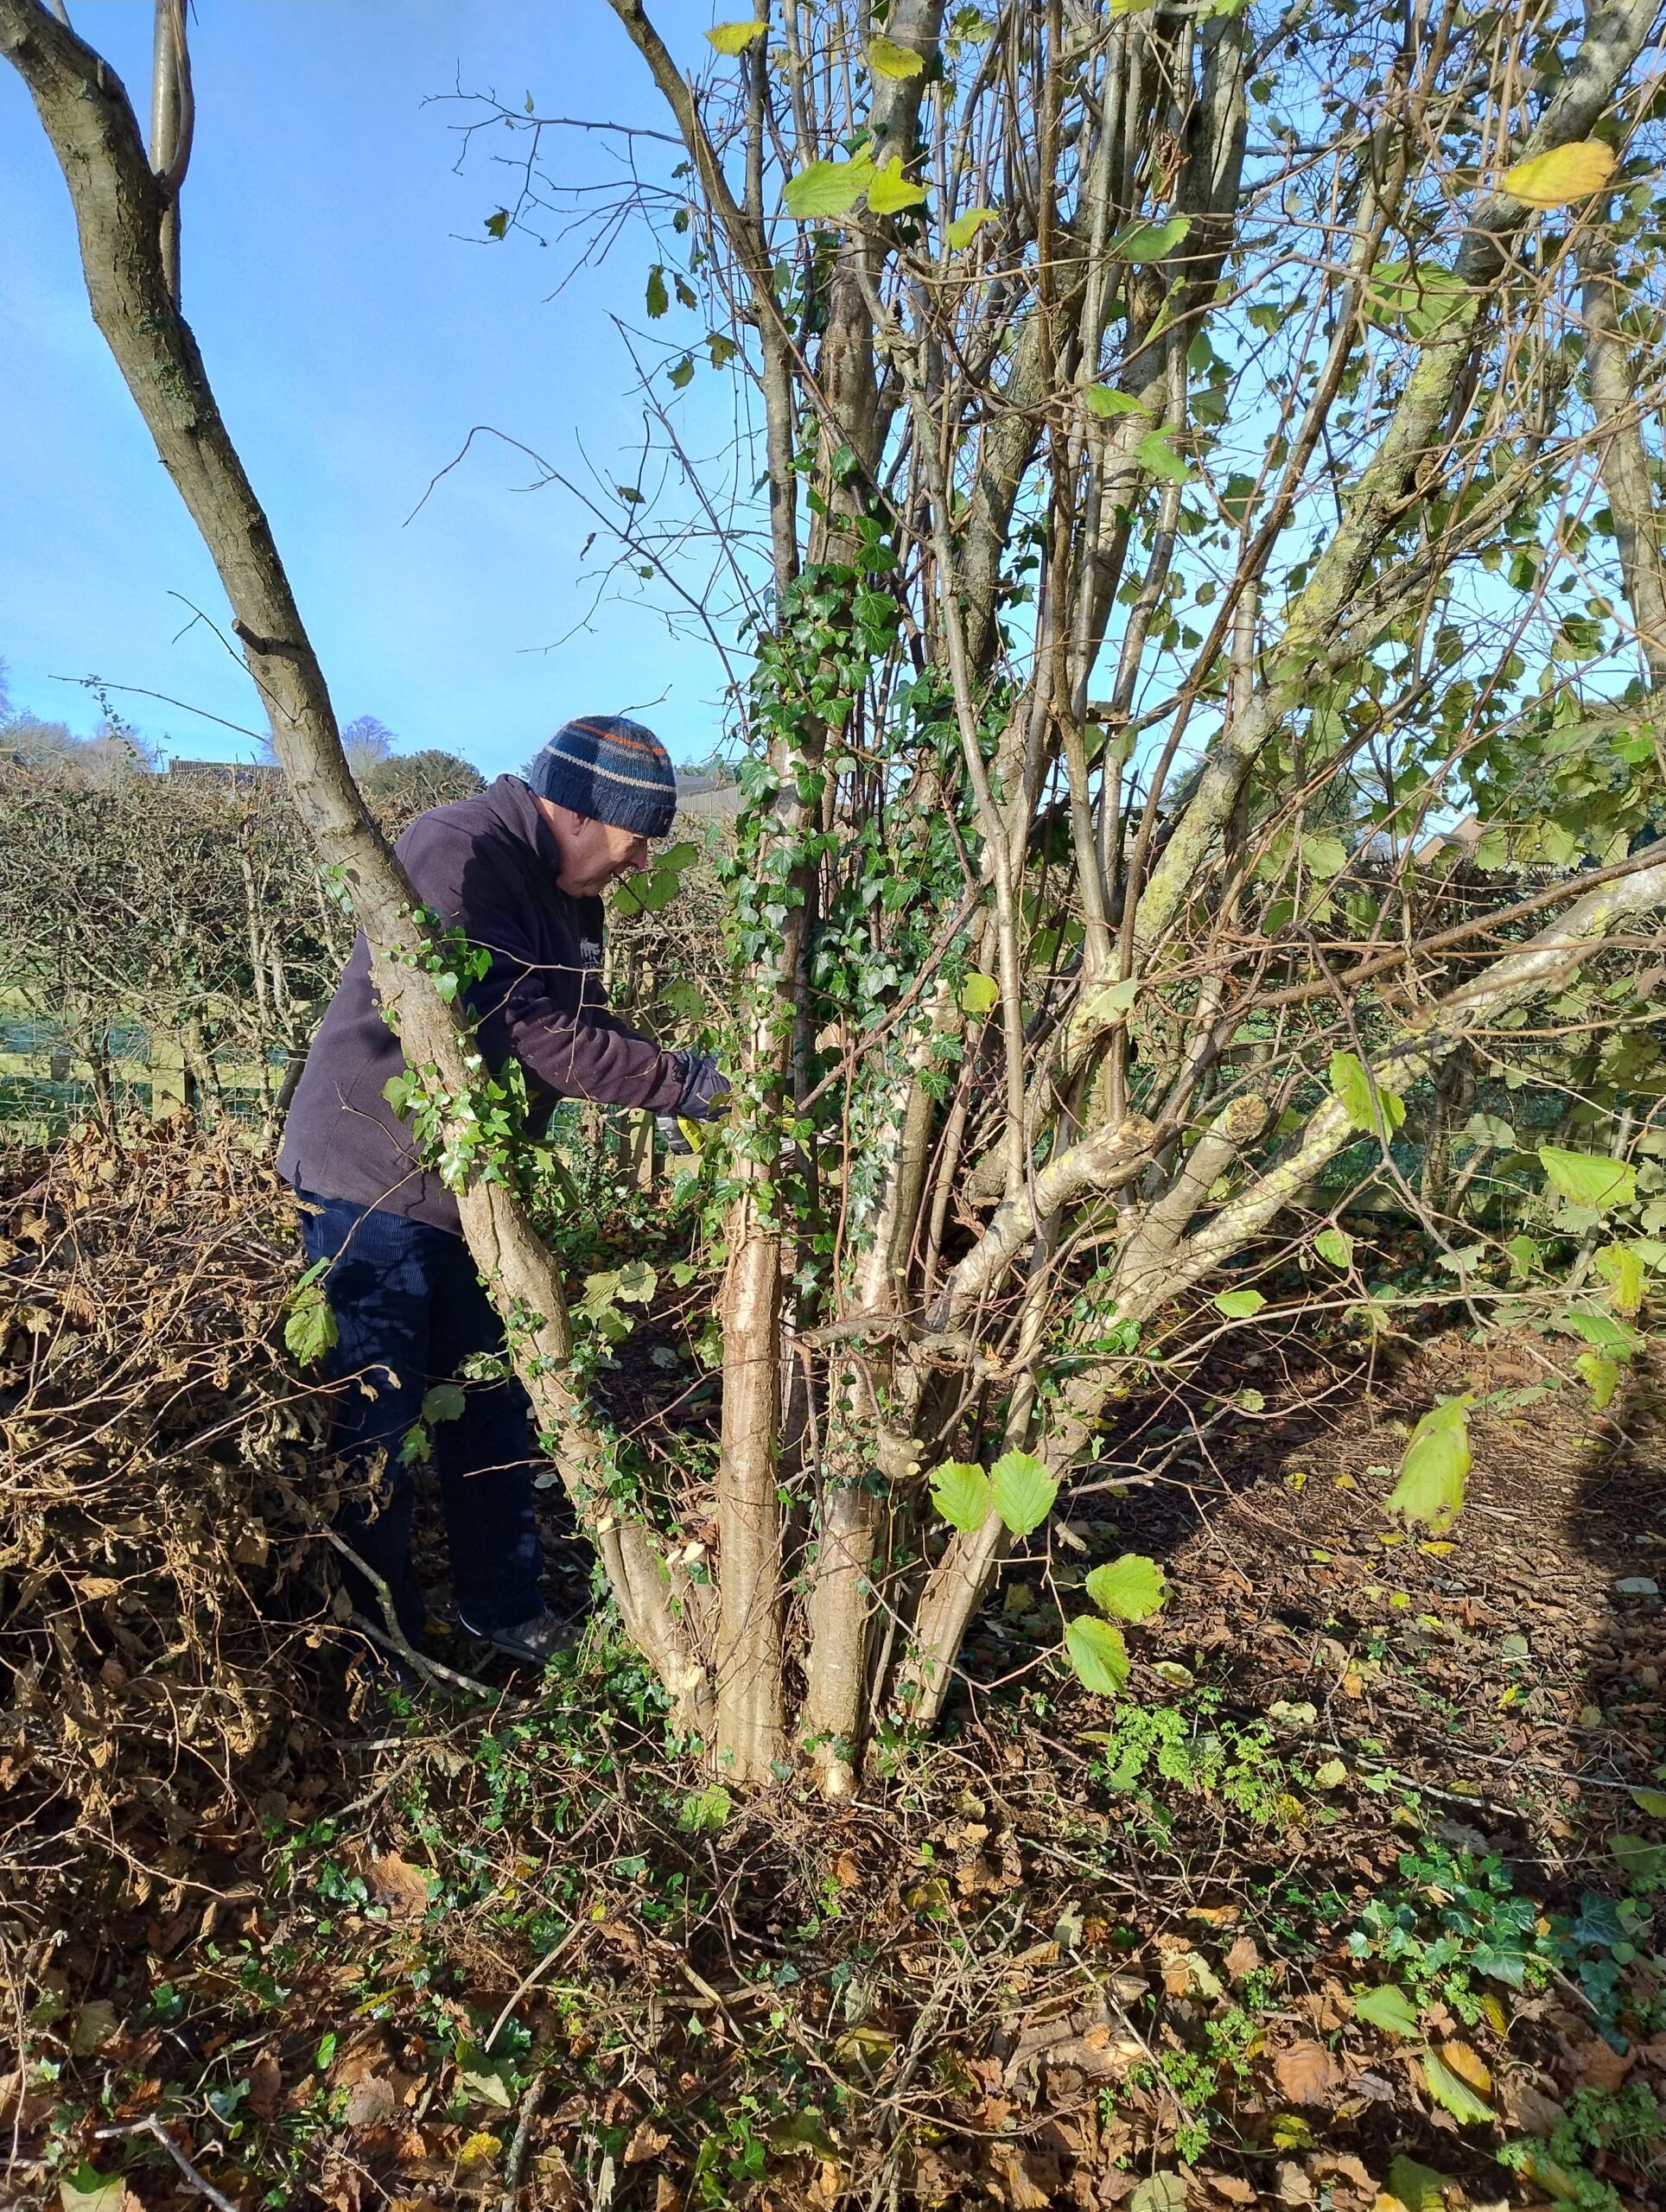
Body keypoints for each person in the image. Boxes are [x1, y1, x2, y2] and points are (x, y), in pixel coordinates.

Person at [277, 715, 728, 1664]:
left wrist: (659, 1088)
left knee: (488, 1398)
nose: (642, 857)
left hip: (464, 1187)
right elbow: (528, 1031)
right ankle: (377, 1635)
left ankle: (501, 1607)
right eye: (638, 832)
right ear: (574, 810)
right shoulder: (457, 848)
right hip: (370, 1176)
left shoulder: (571, 898)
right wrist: (685, 1082)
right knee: (379, 1417)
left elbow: (583, 1028)